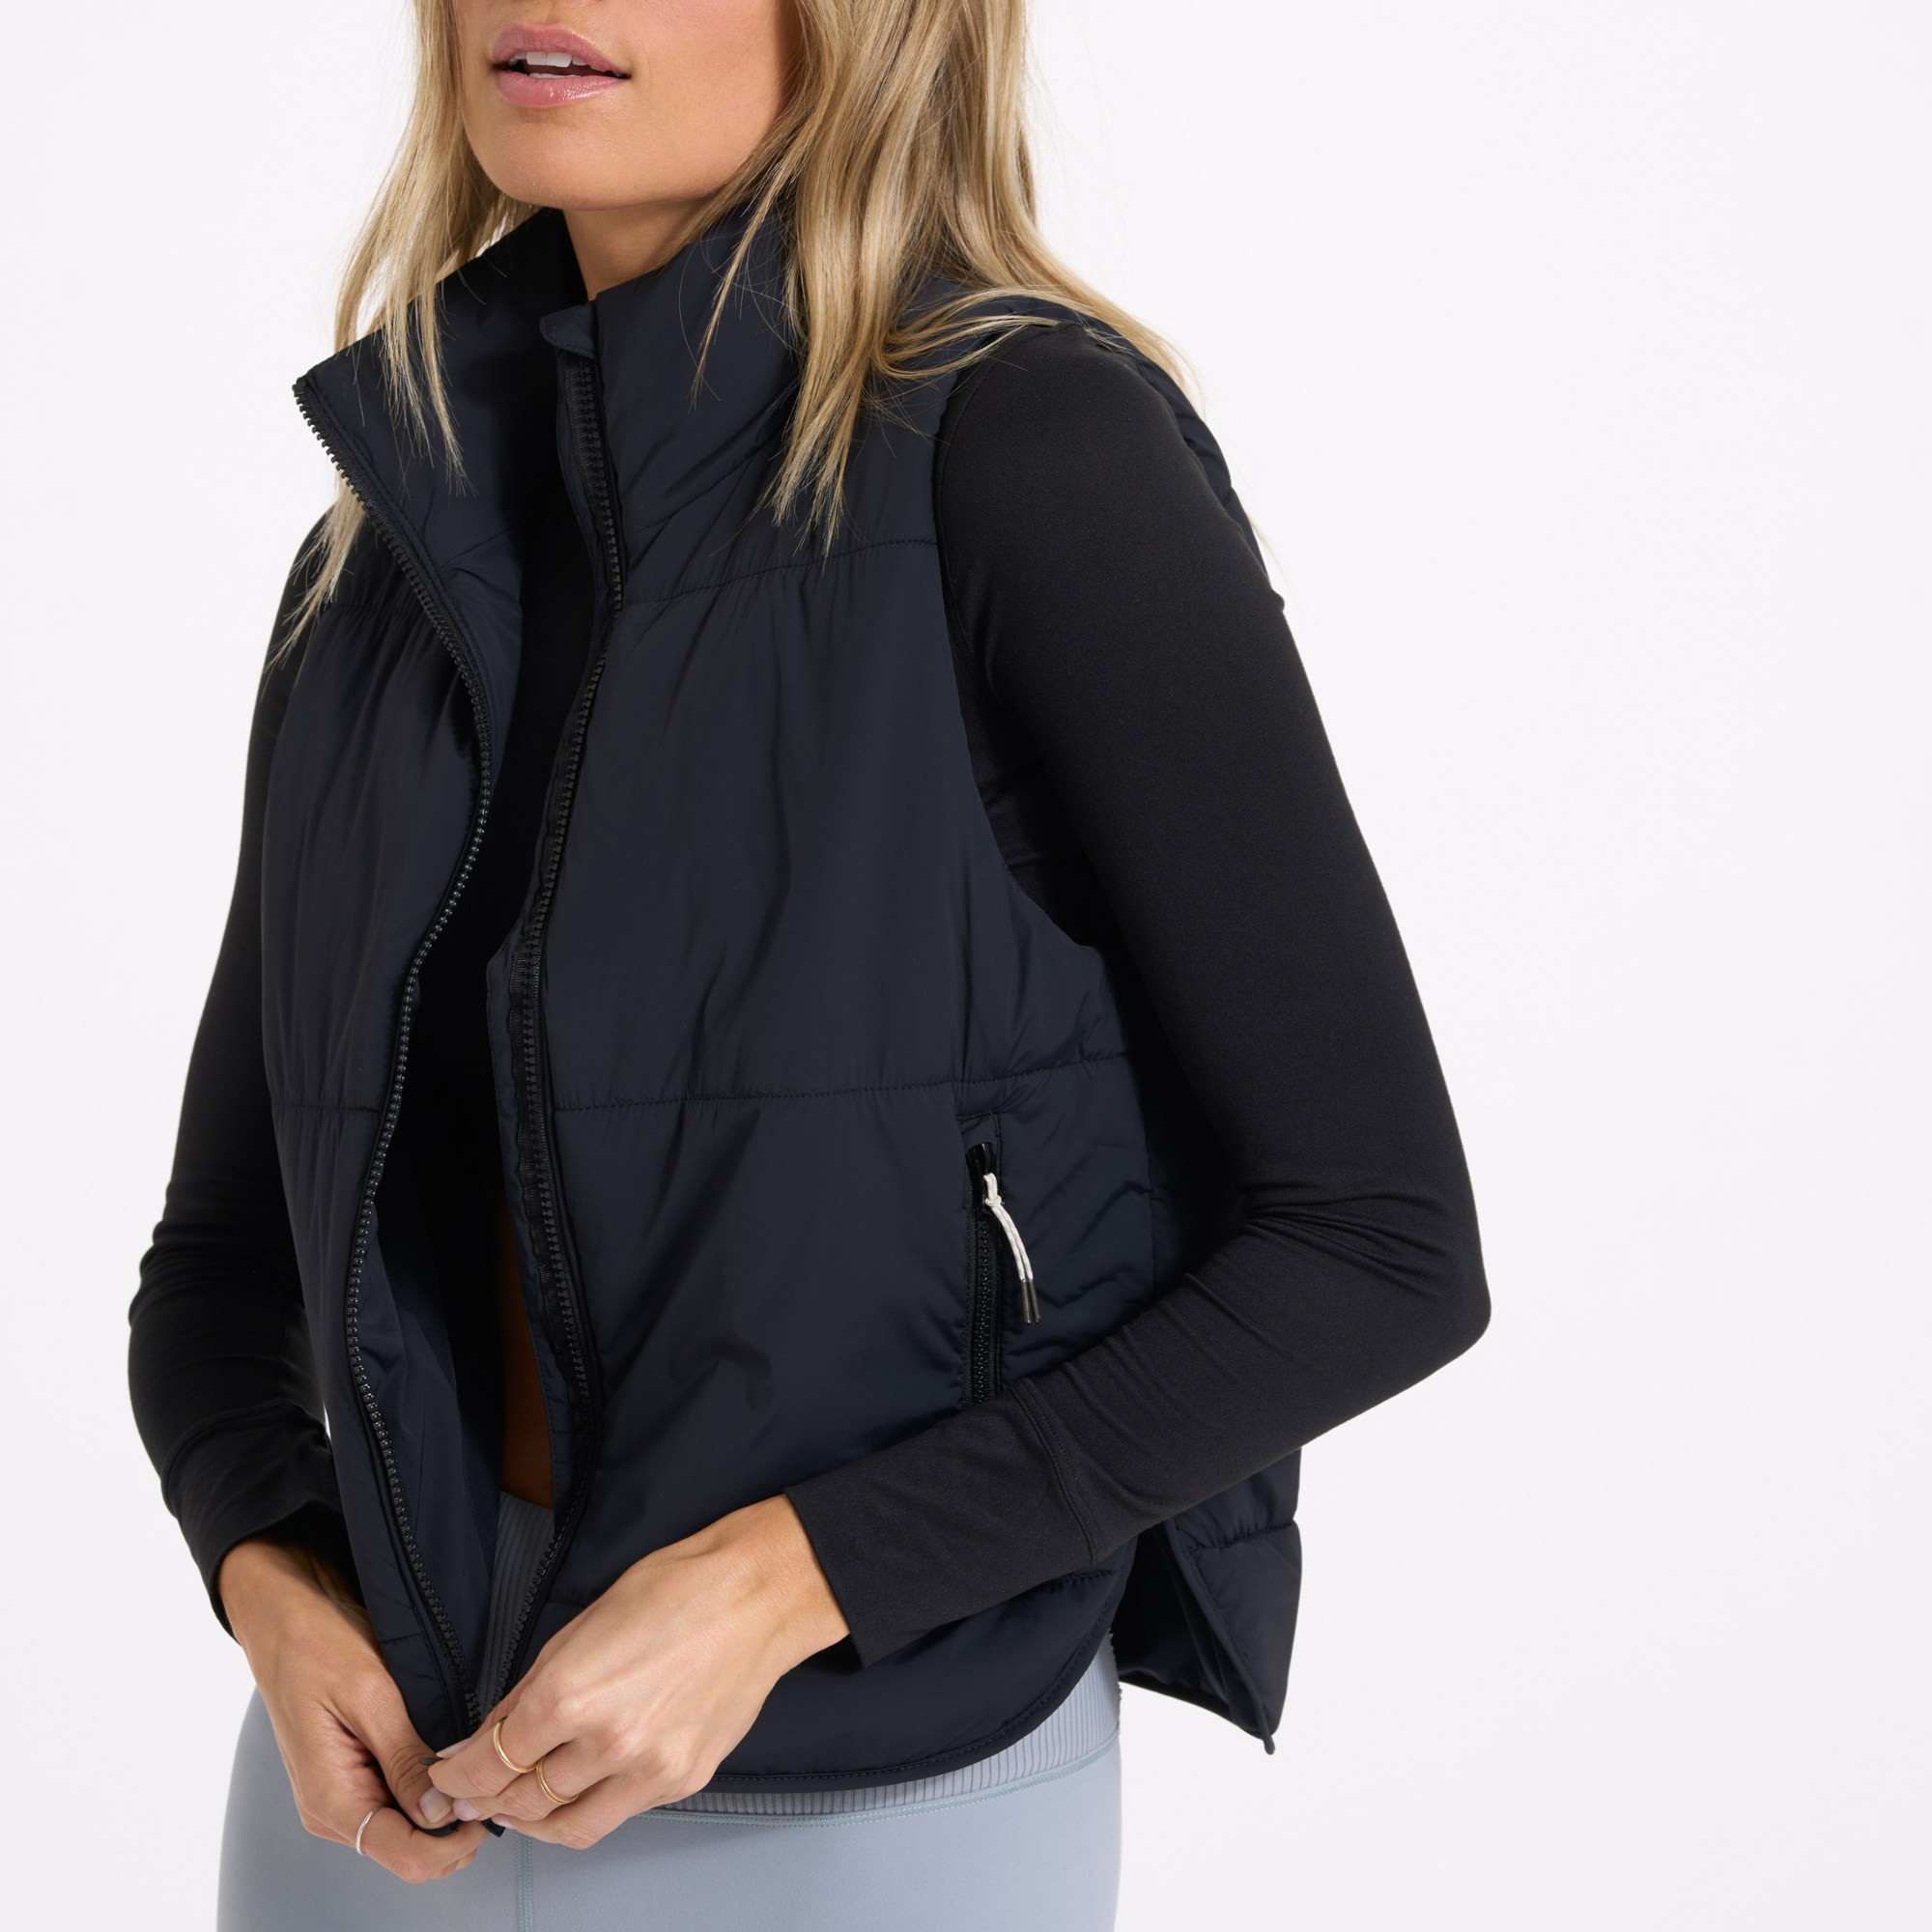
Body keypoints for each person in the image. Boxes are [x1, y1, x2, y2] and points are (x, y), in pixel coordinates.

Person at [128, 2, 1492, 1925]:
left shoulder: (1029, 453)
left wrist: (784, 1580)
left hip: (873, 1809)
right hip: (365, 1811)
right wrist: (267, 1570)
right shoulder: (377, 561)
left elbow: (1378, 1247)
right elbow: (224, 1257)